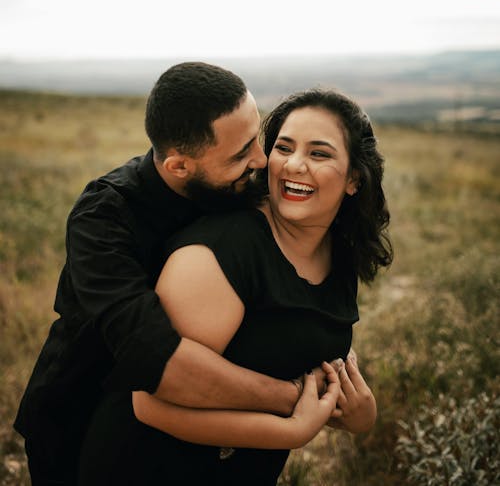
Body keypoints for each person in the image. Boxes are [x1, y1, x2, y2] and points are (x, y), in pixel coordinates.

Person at [15, 62, 325, 486]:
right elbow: (156, 358)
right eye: (239, 154)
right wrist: (293, 399)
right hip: (80, 419)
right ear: (179, 167)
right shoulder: (103, 218)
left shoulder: (241, 184)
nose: (260, 159)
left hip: (200, 434)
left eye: (258, 137)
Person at [76, 88, 392, 486]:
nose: (294, 164)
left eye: (319, 153)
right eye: (284, 147)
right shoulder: (222, 251)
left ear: (354, 179)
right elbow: (149, 404)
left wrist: (359, 412)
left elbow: (299, 337)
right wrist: (292, 428)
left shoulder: (339, 250)